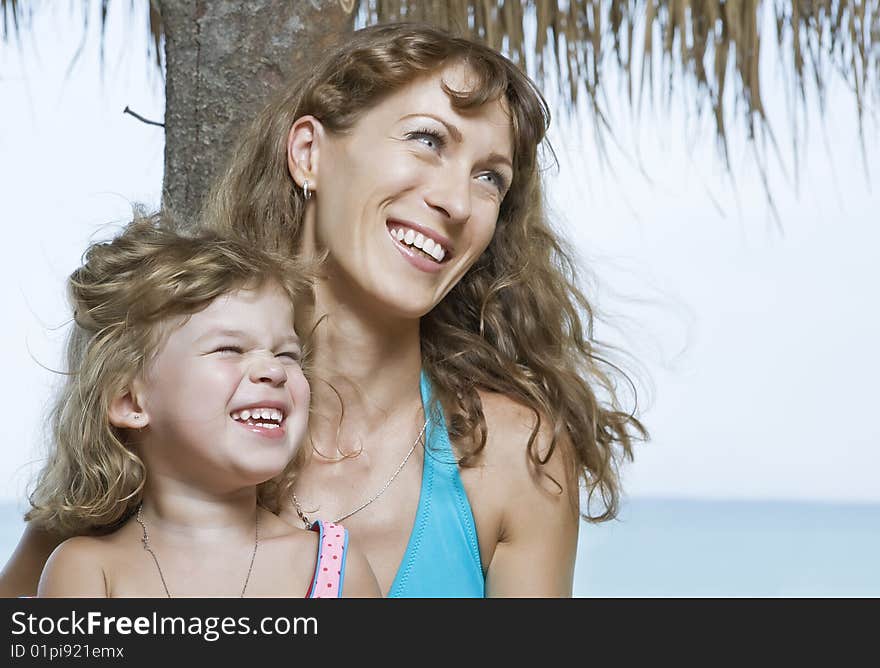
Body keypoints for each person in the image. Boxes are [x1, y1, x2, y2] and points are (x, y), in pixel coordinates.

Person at [1, 22, 645, 597]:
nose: (456, 200)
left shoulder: (515, 456)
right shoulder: (165, 422)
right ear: (309, 153)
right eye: (427, 140)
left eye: (490, 178)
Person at [31, 214, 379, 597]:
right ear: (130, 401)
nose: (273, 370)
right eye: (229, 349)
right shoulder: (87, 571)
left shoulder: (333, 566)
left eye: (287, 354)